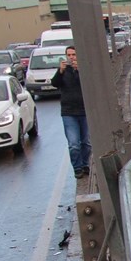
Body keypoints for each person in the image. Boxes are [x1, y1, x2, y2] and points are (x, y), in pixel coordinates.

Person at [51, 46, 91, 179]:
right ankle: (77, 168)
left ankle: (85, 164)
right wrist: (60, 71)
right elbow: (54, 83)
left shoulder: (83, 69)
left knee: (86, 142)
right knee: (74, 143)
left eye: (74, 54)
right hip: (69, 112)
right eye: (69, 55)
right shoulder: (63, 71)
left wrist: (79, 70)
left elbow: (89, 83)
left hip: (85, 110)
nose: (71, 57)